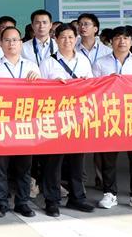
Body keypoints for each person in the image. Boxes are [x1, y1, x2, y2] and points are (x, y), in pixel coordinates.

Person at [92, 26, 132, 212]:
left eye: (126, 38)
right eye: (118, 38)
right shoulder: (100, 63)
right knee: (108, 158)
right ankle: (109, 193)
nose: (122, 41)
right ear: (111, 41)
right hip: (109, 115)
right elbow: (94, 89)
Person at [38, 24, 95, 217]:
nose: (67, 41)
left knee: (77, 161)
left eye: (71, 37)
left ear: (76, 38)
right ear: (56, 39)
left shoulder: (83, 61)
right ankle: (52, 200)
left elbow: (92, 86)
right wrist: (54, 87)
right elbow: (39, 91)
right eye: (63, 37)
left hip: (78, 118)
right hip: (55, 118)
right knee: (53, 162)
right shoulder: (48, 63)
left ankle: (77, 197)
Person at [0, 27, 41, 218]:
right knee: (0, 166)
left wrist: (38, 82)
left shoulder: (32, 67)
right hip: (1, 123)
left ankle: (22, 202)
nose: (11, 44)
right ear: (0, 43)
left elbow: (42, 97)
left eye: (15, 40)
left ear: (21, 43)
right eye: (7, 40)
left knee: (24, 167)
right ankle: (1, 202)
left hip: (25, 124)